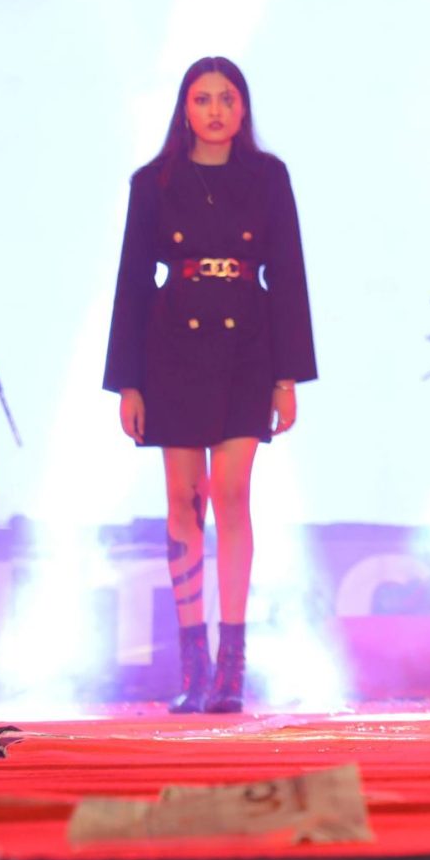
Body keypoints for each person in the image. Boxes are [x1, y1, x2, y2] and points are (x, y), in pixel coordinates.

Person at [104, 56, 316, 713]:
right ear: (185, 108)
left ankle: (232, 665)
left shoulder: (268, 177)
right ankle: (192, 664)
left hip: (247, 342)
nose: (216, 110)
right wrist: (128, 384)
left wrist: (287, 377)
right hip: (173, 344)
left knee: (231, 492)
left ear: (243, 107)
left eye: (227, 98)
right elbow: (133, 281)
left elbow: (288, 274)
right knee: (182, 499)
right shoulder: (155, 181)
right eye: (203, 99)